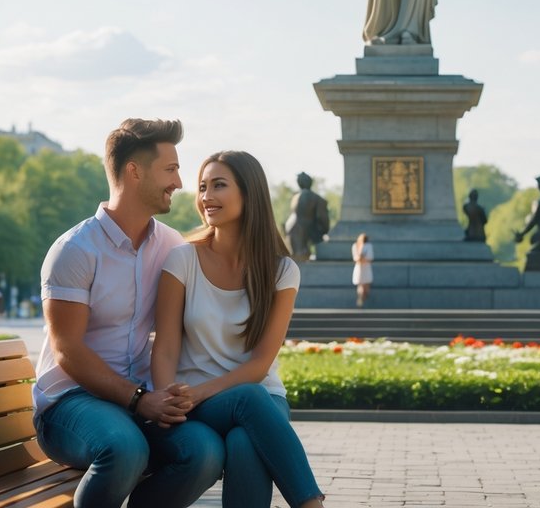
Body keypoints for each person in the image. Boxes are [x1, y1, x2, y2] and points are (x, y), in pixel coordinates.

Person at [32, 118, 223, 508]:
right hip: (70, 404)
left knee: (204, 452)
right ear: (134, 171)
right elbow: (67, 350)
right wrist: (138, 399)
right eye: (170, 169)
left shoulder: (171, 247)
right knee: (125, 448)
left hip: (137, 401)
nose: (180, 183)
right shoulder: (75, 250)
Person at [153, 150, 325, 508]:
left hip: (258, 399)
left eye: (218, 185)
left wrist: (200, 393)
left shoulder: (282, 271)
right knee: (250, 400)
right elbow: (166, 347)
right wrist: (169, 398)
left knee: (246, 439)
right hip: (193, 403)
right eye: (202, 187)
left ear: (249, 194)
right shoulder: (181, 260)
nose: (205, 197)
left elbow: (260, 365)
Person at [283, 172, 330, 263]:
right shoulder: (316, 198)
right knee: (301, 258)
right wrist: (324, 231)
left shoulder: (295, 196)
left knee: (293, 259)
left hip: (290, 227)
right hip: (302, 230)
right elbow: (323, 218)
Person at [351, 233, 374, 308]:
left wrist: (362, 258)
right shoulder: (355, 246)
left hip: (366, 268)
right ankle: (360, 300)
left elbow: (369, 258)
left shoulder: (368, 246)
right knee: (360, 285)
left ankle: (364, 299)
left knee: (366, 287)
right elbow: (356, 258)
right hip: (359, 268)